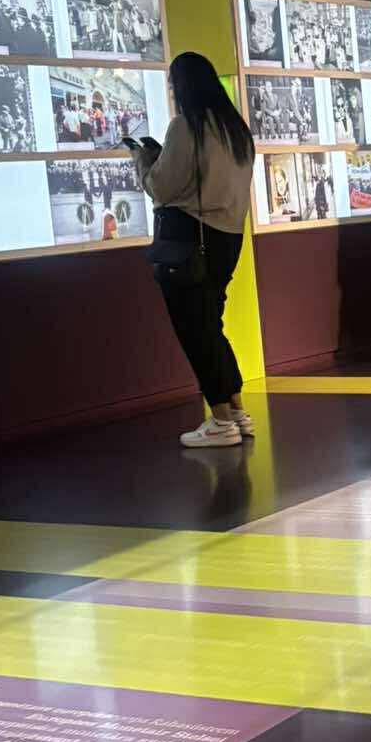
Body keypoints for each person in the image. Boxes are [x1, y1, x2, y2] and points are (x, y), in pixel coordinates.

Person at [138, 51, 257, 448]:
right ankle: (236, 410)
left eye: (173, 85)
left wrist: (144, 162)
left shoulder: (187, 126)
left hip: (191, 240)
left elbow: (162, 187)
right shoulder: (236, 130)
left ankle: (221, 421)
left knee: (195, 331)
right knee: (211, 325)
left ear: (182, 87)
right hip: (227, 240)